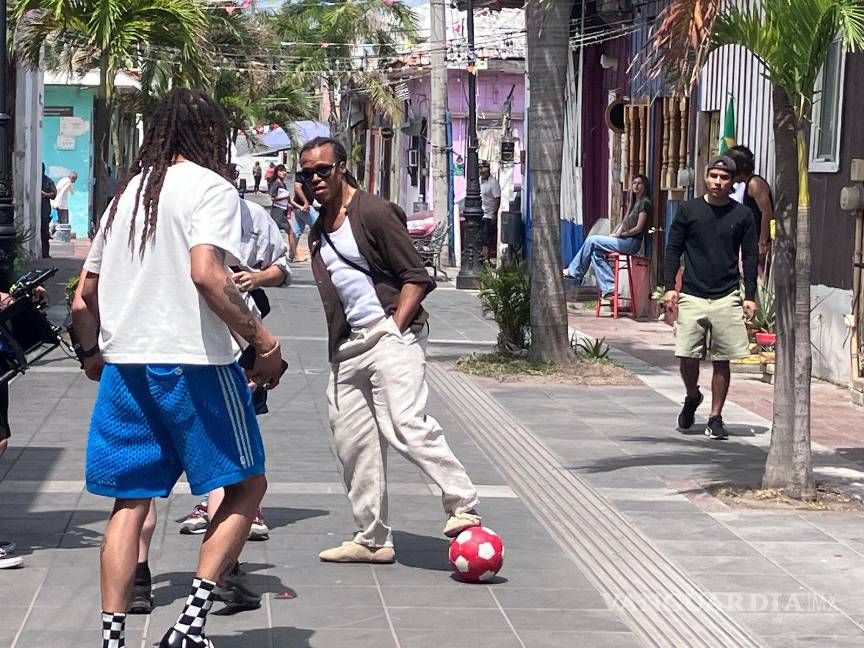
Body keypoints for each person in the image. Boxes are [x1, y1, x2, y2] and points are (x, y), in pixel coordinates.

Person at [71, 88, 283, 648]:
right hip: (195, 364)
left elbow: (82, 298)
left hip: (127, 367)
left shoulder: (127, 196)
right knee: (245, 485)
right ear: (209, 136)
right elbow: (208, 274)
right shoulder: (211, 189)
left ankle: (113, 640)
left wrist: (92, 356)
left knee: (129, 503)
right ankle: (189, 625)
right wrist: (262, 341)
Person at [303, 136, 481, 564]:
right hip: (348, 348)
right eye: (306, 173)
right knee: (354, 444)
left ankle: (462, 506)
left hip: (388, 335)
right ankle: (371, 538)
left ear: (341, 168)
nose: (314, 179)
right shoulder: (317, 229)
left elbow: (415, 277)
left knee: (404, 423)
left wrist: (395, 329)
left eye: (322, 170)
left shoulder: (375, 213)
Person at [131, 196, 292, 615]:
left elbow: (280, 268)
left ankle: (137, 581)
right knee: (235, 473)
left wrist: (255, 278)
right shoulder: (216, 203)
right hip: (212, 356)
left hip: (145, 351)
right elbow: (206, 275)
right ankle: (215, 577)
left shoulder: (142, 205)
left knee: (139, 480)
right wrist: (263, 344)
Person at [663, 155, 757, 441]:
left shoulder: (742, 215)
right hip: (692, 293)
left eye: (724, 177)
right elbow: (673, 248)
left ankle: (716, 416)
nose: (718, 182)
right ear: (706, 178)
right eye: (714, 176)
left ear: (732, 181)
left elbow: (750, 256)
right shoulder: (689, 210)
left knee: (722, 359)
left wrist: (749, 295)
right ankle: (692, 395)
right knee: (686, 354)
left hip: (726, 295)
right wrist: (670, 287)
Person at [563, 175, 652, 297]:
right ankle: (610, 287)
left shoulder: (645, 203)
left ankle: (575, 271)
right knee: (596, 252)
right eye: (634, 183)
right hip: (625, 240)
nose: (636, 186)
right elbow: (626, 225)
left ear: (645, 186)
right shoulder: (635, 203)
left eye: (639, 183)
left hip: (631, 242)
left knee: (592, 240)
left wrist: (621, 235)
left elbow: (639, 228)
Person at [726, 145, 774, 273]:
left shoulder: (755, 184)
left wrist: (763, 242)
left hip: (760, 241)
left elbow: (767, 213)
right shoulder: (746, 185)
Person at [269, 164, 297, 261]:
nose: (284, 173)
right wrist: (284, 197)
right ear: (277, 172)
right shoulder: (276, 184)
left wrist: (298, 207)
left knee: (281, 232)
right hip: (277, 211)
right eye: (281, 171)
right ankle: (293, 255)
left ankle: (291, 254)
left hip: (283, 211)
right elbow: (272, 198)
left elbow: (289, 199)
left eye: (284, 171)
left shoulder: (283, 184)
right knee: (288, 232)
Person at [288, 177, 318, 262]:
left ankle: (292, 254)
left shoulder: (311, 175)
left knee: (297, 232)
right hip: (304, 207)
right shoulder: (303, 175)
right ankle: (313, 254)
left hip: (298, 207)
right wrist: (306, 202)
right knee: (317, 229)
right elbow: (297, 187)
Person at [479, 160, 501, 260]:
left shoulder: (493, 183)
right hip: (480, 213)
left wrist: (494, 214)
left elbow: (497, 199)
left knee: (486, 238)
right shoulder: (479, 181)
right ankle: (484, 258)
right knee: (481, 238)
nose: (482, 174)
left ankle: (486, 259)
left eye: (484, 172)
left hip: (489, 215)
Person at [40, 164, 57, 259]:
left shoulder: (48, 181)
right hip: (39, 209)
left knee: (44, 232)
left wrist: (45, 194)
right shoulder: (35, 179)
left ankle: (45, 253)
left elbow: (54, 194)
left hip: (44, 210)